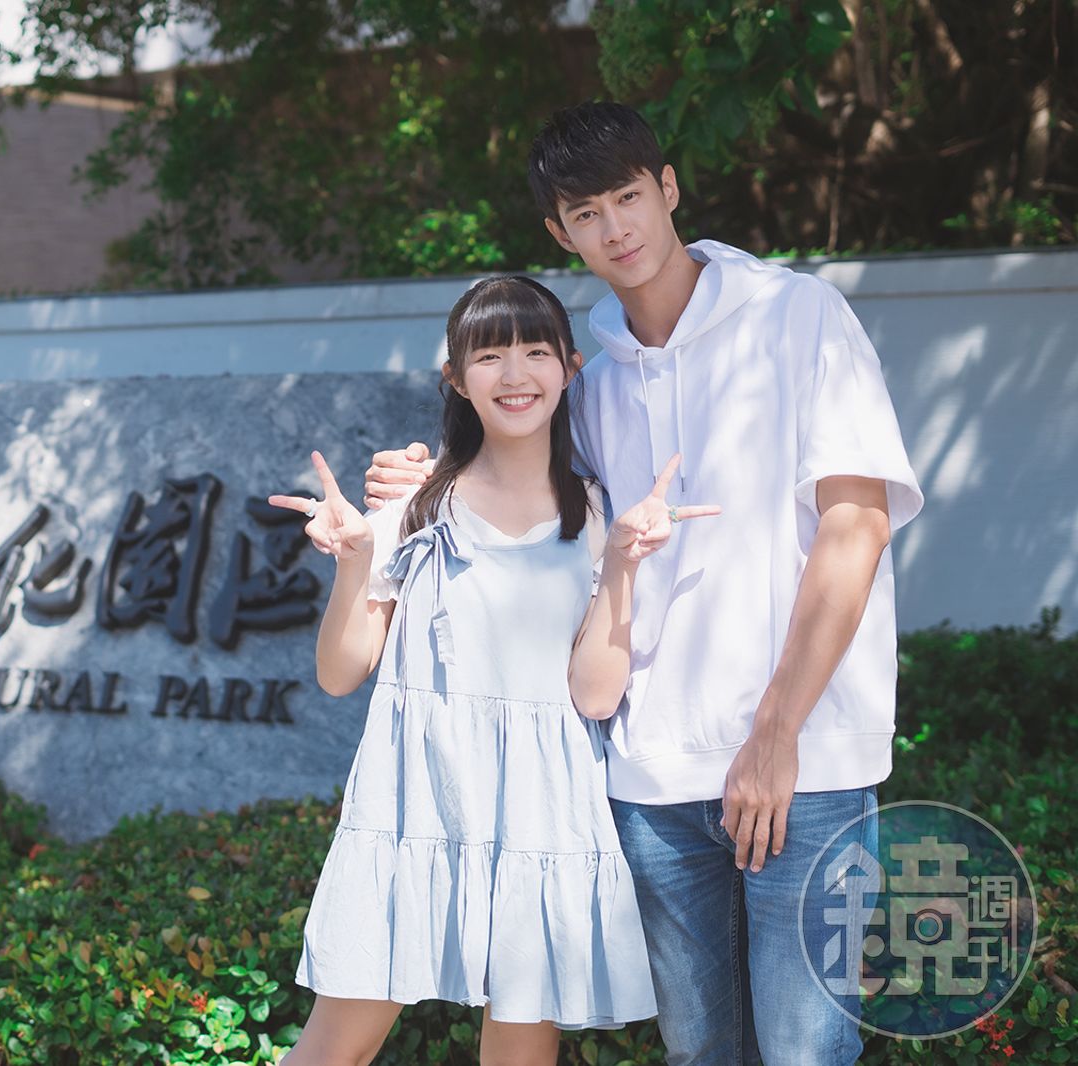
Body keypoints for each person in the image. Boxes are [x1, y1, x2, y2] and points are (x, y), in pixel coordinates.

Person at [364, 102, 924, 1065]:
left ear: (667, 189)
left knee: (806, 1053)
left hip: (806, 763)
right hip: (652, 778)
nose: (615, 228)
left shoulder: (799, 316)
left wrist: (776, 732)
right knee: (699, 1053)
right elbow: (514, 485)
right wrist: (414, 481)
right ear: (561, 233)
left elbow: (856, 525)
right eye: (586, 214)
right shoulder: (589, 379)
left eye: (628, 197)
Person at [270, 275, 719, 1066]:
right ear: (456, 378)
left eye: (536, 352)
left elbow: (594, 694)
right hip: (415, 800)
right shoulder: (413, 508)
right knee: (335, 1046)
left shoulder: (594, 515)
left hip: (540, 809)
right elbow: (341, 674)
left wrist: (622, 565)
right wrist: (354, 562)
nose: (515, 375)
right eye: (489, 356)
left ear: (570, 369)